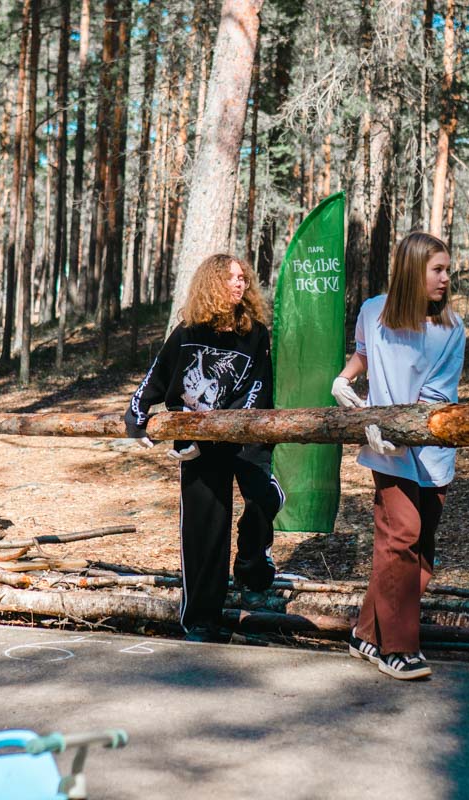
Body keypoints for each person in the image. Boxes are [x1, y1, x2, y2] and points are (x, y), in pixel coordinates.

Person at [125, 253, 283, 643]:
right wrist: (137, 416)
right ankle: (202, 620)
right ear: (212, 284)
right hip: (200, 445)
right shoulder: (187, 332)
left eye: (243, 277)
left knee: (266, 498)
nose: (239, 283)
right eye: (230, 278)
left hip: (245, 437)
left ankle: (251, 566)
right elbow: (156, 379)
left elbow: (259, 387)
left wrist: (233, 427)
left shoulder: (256, 333)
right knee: (204, 530)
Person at [331, 231, 465, 680]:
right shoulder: (374, 312)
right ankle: (399, 648)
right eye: (438, 270)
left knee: (420, 551)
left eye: (448, 269)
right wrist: (344, 379)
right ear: (412, 270)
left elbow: (434, 397)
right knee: (401, 536)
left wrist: (400, 430)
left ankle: (366, 634)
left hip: (431, 452)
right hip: (385, 452)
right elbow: (364, 354)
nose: (447, 278)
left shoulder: (451, 329)